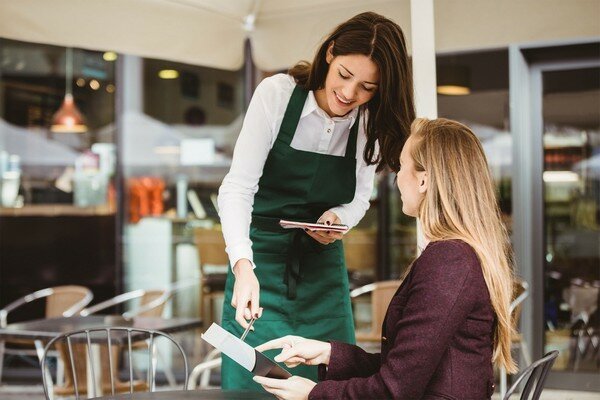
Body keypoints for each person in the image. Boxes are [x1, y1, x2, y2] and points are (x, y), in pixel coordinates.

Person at [217, 12, 415, 390]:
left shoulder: (369, 121)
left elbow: (359, 199)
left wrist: (336, 219)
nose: (350, 94)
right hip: (257, 265)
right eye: (344, 75)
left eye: (367, 87)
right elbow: (238, 188)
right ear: (328, 54)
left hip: (322, 271)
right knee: (252, 382)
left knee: (333, 383)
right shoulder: (276, 95)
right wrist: (243, 267)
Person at [254, 118, 518, 399]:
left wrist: (313, 394)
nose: (397, 177)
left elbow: (394, 389)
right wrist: (328, 353)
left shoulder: (449, 261)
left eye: (402, 166)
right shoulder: (457, 256)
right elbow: (403, 369)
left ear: (424, 179)